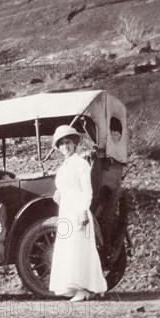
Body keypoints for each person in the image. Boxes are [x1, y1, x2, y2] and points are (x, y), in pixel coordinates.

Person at [48, 125, 107, 302]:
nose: (65, 146)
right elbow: (65, 186)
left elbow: (87, 190)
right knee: (69, 249)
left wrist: (83, 211)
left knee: (80, 249)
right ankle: (77, 287)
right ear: (58, 147)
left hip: (77, 209)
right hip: (66, 209)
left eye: (68, 142)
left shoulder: (81, 163)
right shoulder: (65, 165)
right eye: (62, 144)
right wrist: (58, 193)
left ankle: (84, 288)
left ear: (74, 144)